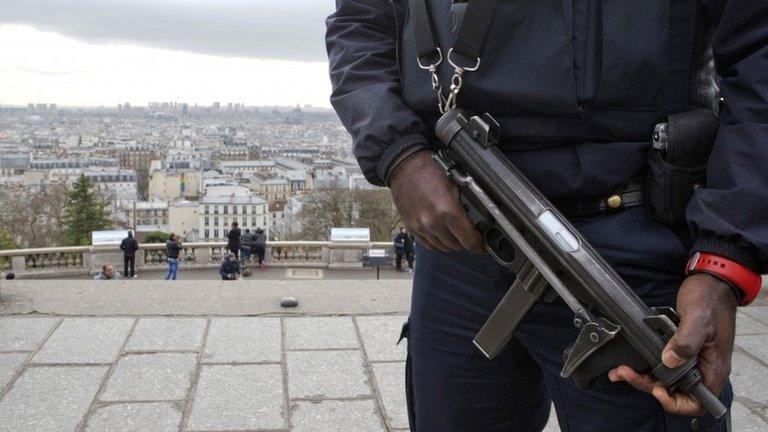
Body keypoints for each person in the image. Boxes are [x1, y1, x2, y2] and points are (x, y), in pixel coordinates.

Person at [327, 1, 767, 431]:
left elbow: (758, 54)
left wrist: (723, 259)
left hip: (628, 246)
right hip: (463, 223)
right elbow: (361, 22)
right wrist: (399, 154)